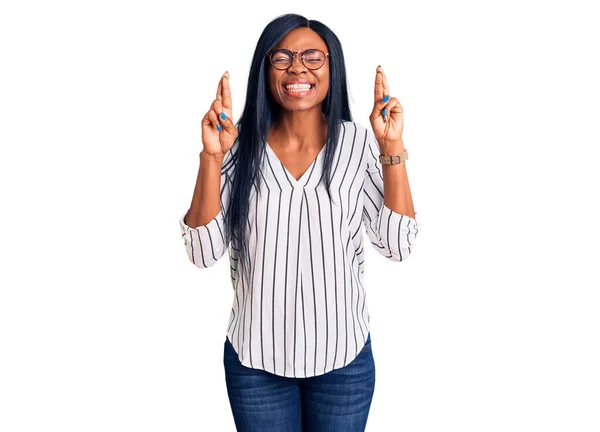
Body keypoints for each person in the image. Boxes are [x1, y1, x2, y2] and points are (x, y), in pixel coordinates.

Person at [179, 13, 420, 432]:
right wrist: (212, 157)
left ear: (332, 67)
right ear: (266, 67)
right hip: (256, 362)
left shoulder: (357, 144)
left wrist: (392, 148)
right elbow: (202, 253)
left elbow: (398, 244)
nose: (297, 67)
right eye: (283, 57)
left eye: (312, 56)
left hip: (343, 362)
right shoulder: (238, 146)